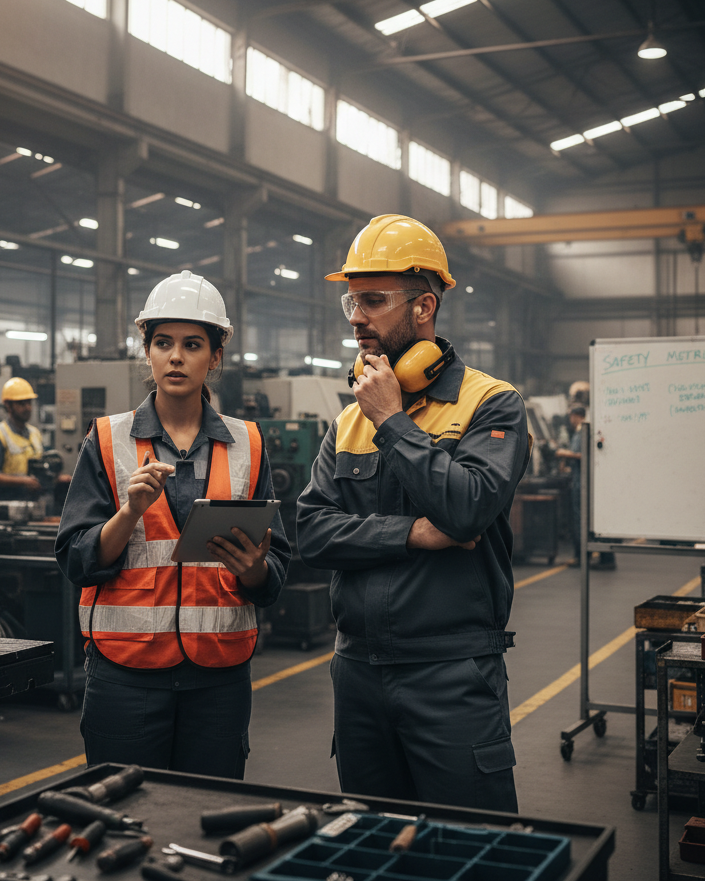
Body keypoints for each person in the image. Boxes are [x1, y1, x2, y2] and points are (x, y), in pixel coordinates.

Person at [296, 214, 531, 812]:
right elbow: (311, 533)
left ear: (423, 306)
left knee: (470, 846)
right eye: (351, 299)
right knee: (374, 846)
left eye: (373, 301)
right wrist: (411, 536)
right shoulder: (348, 417)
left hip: (451, 674)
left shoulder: (490, 403)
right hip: (356, 673)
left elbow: (469, 509)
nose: (355, 316)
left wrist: (393, 422)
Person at [55, 271, 290, 778]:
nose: (176, 357)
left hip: (218, 681)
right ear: (147, 351)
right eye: (163, 343)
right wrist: (128, 514)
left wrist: (254, 570)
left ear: (215, 355)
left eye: (192, 344)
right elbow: (76, 558)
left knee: (205, 816)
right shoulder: (107, 440)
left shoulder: (248, 444)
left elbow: (275, 571)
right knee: (122, 822)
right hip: (125, 678)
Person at [556, 405, 614, 569]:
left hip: (583, 484)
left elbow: (583, 455)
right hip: (582, 481)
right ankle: (591, 557)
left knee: (582, 520)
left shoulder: (584, 430)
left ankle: (583, 557)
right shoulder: (583, 431)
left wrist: (563, 453)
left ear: (576, 416)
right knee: (586, 520)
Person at [0, 377, 48, 501]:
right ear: (8, 406)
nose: (28, 408)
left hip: (31, 504)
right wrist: (22, 481)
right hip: (4, 507)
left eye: (29, 402)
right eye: (22, 403)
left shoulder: (35, 433)